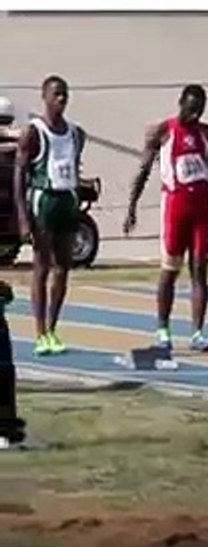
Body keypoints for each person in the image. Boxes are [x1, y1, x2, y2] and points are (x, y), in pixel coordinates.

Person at [123, 84, 208, 353]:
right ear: (181, 103)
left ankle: (198, 332)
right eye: (191, 108)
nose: (196, 114)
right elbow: (144, 169)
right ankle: (162, 329)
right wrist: (132, 206)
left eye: (200, 109)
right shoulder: (165, 131)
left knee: (200, 269)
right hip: (176, 205)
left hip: (202, 206)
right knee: (170, 269)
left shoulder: (206, 133)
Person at [14, 76, 85, 356]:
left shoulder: (76, 133)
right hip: (44, 201)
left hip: (67, 201)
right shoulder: (34, 132)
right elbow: (20, 174)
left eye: (65, 94)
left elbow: (72, 166)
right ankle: (40, 331)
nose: (62, 99)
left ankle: (53, 329)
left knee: (63, 267)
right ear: (44, 97)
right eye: (56, 94)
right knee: (42, 266)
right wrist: (22, 216)